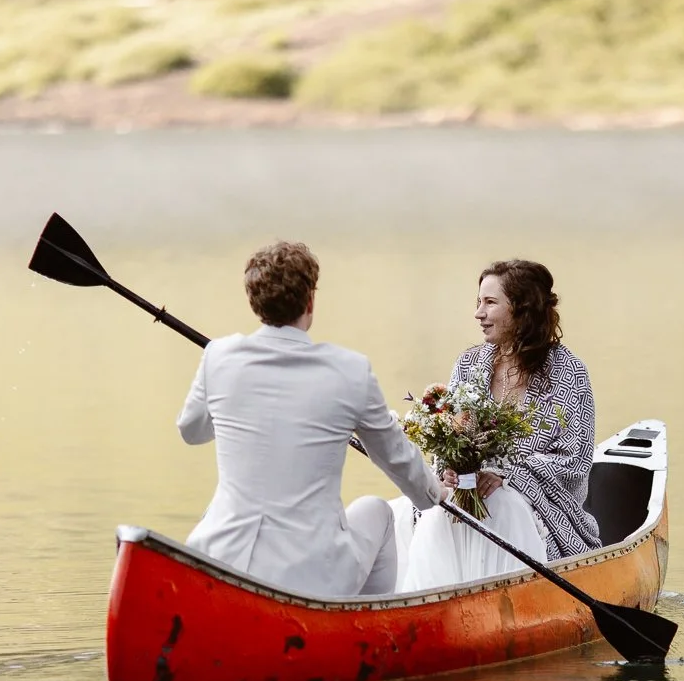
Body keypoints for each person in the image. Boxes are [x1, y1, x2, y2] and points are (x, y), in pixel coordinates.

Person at [179, 241, 443, 597]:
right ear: (310, 301)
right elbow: (396, 458)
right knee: (378, 512)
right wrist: (433, 494)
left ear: (253, 303)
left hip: (221, 559)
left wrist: (234, 405)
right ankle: (361, 630)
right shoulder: (351, 371)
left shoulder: (219, 356)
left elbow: (191, 431)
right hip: (312, 574)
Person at [397, 259, 601, 591]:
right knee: (430, 508)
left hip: (538, 504)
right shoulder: (468, 364)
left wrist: (508, 476)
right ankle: (433, 602)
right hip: (465, 492)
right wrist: (449, 470)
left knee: (502, 503)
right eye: (478, 302)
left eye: (490, 303)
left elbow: (575, 462)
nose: (478, 313)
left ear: (522, 310)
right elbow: (448, 436)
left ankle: (508, 603)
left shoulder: (569, 372)